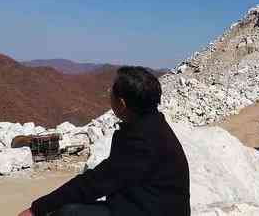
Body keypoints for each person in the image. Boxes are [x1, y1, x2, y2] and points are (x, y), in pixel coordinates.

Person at [19, 66, 190, 216]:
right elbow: (108, 175)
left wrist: (37, 209)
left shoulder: (142, 141)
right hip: (149, 207)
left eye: (112, 91)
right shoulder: (151, 127)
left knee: (68, 213)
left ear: (122, 104)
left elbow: (96, 182)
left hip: (150, 210)